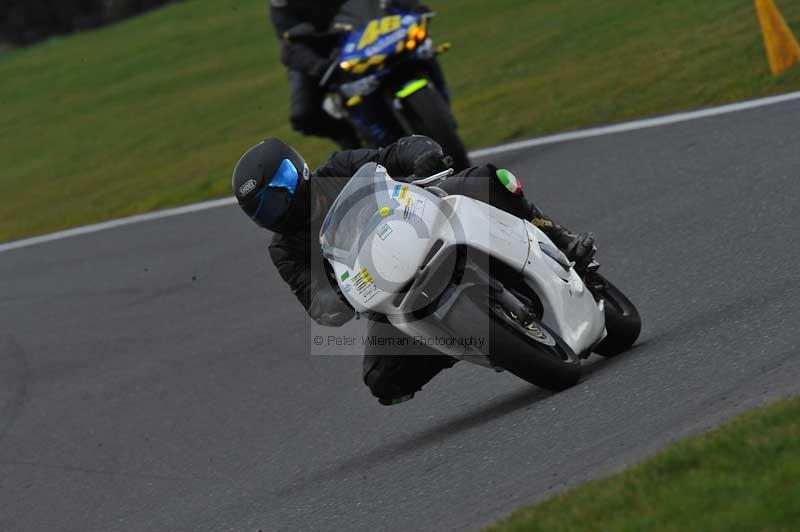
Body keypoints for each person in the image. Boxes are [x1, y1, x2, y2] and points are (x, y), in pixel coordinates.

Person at [232, 135, 596, 405]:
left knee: (488, 178)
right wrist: (338, 297)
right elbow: (315, 302)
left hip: (427, 222)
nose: (279, 202)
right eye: (265, 205)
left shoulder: (338, 168)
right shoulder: (284, 249)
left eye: (281, 186)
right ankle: (464, 337)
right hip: (387, 292)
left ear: (297, 169)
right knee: (383, 381)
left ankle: (558, 237)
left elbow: (391, 153)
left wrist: (424, 155)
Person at [269, 0, 448, 149]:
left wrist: (413, 8)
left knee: (420, 47)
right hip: (322, 52)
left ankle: (439, 100)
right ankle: (350, 138)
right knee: (303, 114)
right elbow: (290, 44)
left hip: (369, 32)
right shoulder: (281, 3)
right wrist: (318, 66)